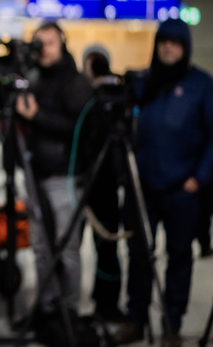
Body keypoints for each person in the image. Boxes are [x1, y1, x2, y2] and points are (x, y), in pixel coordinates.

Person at [113, 18, 213, 347]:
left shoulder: (202, 86)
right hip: (142, 189)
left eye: (175, 43)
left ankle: (172, 325)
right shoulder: (144, 84)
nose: (168, 48)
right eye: (163, 41)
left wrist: (199, 177)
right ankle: (135, 319)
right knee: (138, 255)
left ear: (185, 47)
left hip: (182, 190)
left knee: (179, 257)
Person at [15, 22, 93, 328]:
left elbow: (80, 129)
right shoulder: (32, 79)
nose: (43, 49)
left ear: (62, 44)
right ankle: (46, 307)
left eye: (49, 43)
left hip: (65, 175)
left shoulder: (76, 83)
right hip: (35, 173)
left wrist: (38, 116)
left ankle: (68, 310)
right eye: (38, 43)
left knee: (66, 247)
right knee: (40, 247)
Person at [80, 46, 126, 322]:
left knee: (106, 245)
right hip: (96, 182)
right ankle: (104, 300)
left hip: (100, 182)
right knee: (105, 248)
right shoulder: (98, 99)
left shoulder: (99, 100)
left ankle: (106, 302)